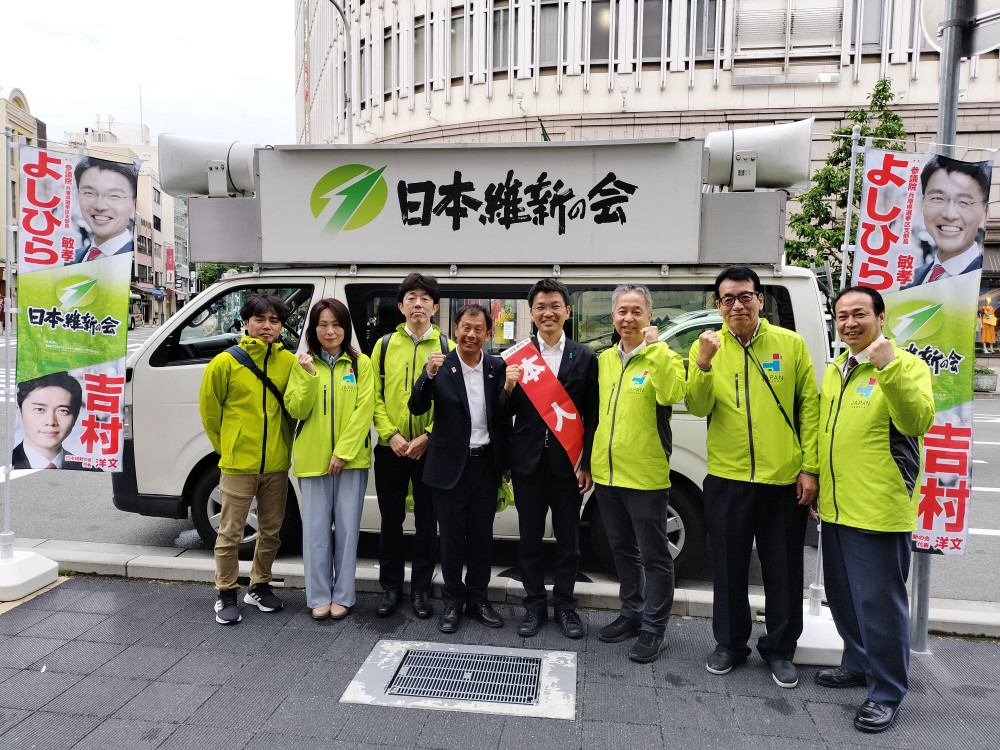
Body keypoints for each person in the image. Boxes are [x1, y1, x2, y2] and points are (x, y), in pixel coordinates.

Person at [685, 266, 819, 689]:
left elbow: (809, 408)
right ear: (718, 305)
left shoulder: (790, 344)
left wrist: (809, 467)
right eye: (727, 299)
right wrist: (703, 364)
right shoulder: (706, 347)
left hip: (782, 478)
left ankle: (780, 648)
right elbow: (698, 405)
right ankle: (729, 644)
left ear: (761, 300)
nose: (737, 305)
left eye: (745, 296)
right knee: (728, 567)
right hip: (728, 477)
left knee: (783, 569)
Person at [816, 285, 935, 733]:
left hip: (878, 509)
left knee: (881, 606)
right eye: (842, 315)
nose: (850, 323)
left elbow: (917, 420)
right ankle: (857, 662)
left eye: (859, 314)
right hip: (837, 505)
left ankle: (886, 692)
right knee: (844, 597)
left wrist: (888, 367)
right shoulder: (836, 369)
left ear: (881, 318)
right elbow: (825, 432)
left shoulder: (905, 365)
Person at [591, 284, 685, 663]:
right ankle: (632, 612)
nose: (628, 318)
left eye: (636, 311)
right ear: (613, 316)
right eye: (622, 311)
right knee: (622, 550)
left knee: (655, 556)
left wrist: (655, 347)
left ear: (649, 316)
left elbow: (673, 394)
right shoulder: (604, 360)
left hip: (646, 476)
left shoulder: (664, 357)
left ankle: (654, 628)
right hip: (607, 474)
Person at [409, 303, 513, 635]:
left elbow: (503, 417)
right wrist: (428, 375)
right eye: (465, 327)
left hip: (485, 465)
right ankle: (452, 602)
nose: (471, 334)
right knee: (451, 539)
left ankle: (478, 600)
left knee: (481, 538)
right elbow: (416, 406)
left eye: (478, 329)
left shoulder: (497, 367)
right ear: (455, 329)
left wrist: (506, 464)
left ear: (488, 333)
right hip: (449, 466)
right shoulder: (441, 365)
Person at [199, 293, 300, 625]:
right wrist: (229, 447)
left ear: (281, 326)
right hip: (237, 464)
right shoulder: (224, 363)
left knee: (271, 531)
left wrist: (283, 446)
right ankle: (226, 591)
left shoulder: (289, 363)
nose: (267, 326)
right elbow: (210, 414)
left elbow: (294, 409)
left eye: (274, 320)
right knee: (230, 532)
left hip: (276, 464)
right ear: (246, 323)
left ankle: (259, 586)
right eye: (260, 319)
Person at [507, 279, 598, 639]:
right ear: (531, 312)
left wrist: (586, 463)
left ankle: (565, 607)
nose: (548, 313)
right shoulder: (517, 357)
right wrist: (508, 388)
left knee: (569, 541)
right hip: (527, 464)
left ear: (567, 311)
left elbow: (592, 415)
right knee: (529, 539)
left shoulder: (585, 356)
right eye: (541, 307)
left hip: (568, 465)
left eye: (555, 306)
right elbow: (503, 414)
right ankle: (533, 606)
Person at [285, 299, 375, 620]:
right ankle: (319, 595)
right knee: (315, 533)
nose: (330, 331)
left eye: (336, 324)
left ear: (345, 328)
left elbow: (365, 411)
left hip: (351, 461)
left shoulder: (360, 364)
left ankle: (344, 595)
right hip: (312, 459)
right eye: (322, 324)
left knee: (348, 532)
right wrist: (309, 376)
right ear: (313, 329)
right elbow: (297, 409)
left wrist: (343, 453)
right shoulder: (302, 363)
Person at [371, 273, 453, 619]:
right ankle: (390, 588)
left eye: (425, 299)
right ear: (401, 306)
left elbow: (454, 403)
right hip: (390, 448)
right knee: (390, 519)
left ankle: (421, 590)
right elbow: (373, 396)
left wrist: (429, 436)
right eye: (411, 298)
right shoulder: (384, 345)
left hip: (429, 450)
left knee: (427, 522)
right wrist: (390, 434)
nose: (418, 304)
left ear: (435, 308)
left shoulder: (447, 347)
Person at [903, 155, 990, 287]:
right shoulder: (910, 281)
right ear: (923, 203)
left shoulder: (990, 282)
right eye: (938, 198)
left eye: (964, 202)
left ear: (985, 212)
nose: (949, 215)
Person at [12, 372, 92, 470]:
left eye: (63, 411)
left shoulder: (92, 472)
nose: (51, 422)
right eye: (40, 409)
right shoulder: (5, 465)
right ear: (20, 413)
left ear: (75, 417)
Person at [72, 157, 138, 264]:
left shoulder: (137, 260)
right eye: (89, 193)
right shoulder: (69, 260)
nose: (100, 206)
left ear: (134, 205)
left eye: (114, 196)